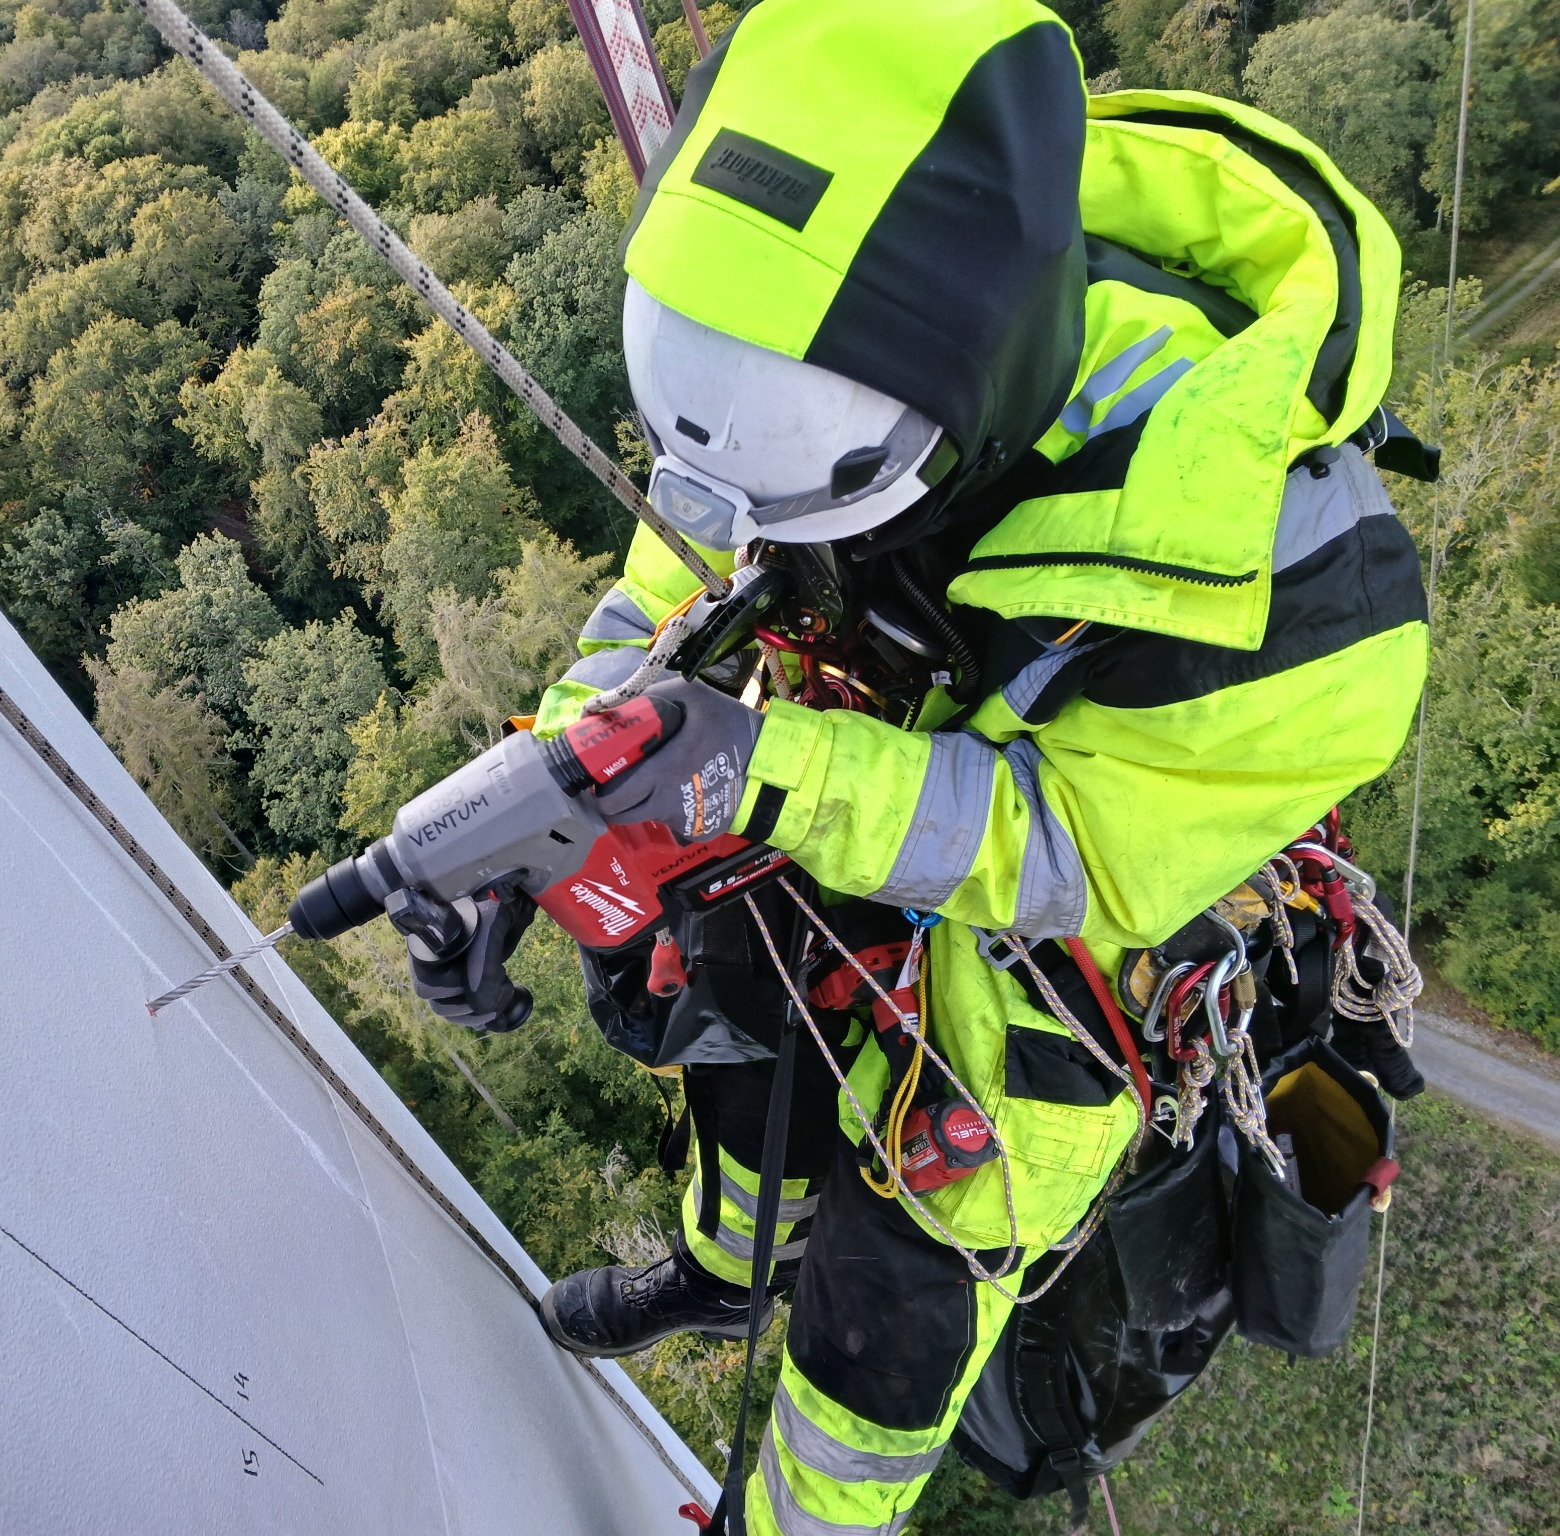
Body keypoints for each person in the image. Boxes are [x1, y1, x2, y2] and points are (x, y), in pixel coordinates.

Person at [403, 0, 1429, 1529]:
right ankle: (718, 1269)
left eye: (794, 511)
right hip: (817, 802)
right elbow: (672, 585)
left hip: (1042, 992)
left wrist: (771, 773)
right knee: (742, 1061)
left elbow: (1070, 850)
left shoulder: (1310, 601)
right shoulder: (796, 354)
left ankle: (804, 1520)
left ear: (944, 437)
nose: (752, 532)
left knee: (888, 1312)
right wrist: (547, 803)